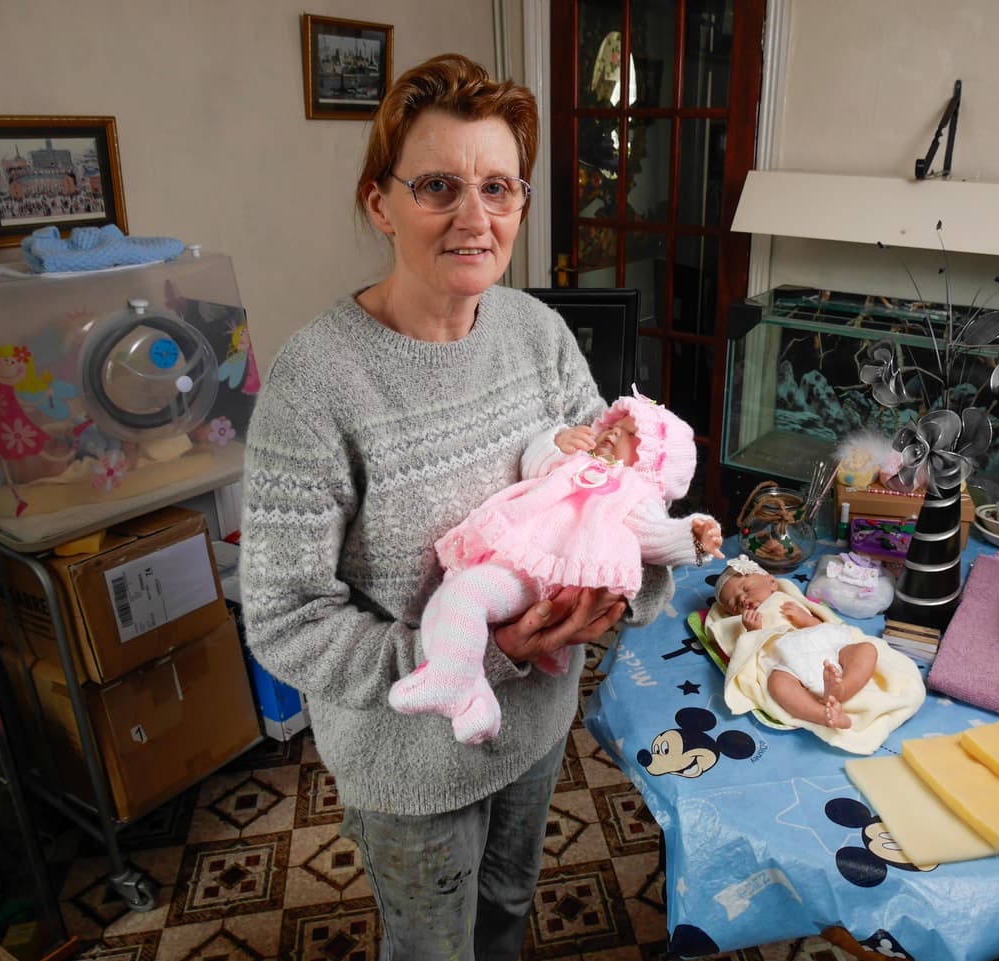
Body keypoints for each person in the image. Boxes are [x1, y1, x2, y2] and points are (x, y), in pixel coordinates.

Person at [240, 53, 686, 961]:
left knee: (508, 910)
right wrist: (471, 655)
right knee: (435, 947)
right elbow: (285, 618)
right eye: (438, 186)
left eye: (498, 188)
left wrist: (625, 575)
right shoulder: (317, 382)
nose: (475, 218)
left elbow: (603, 489)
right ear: (381, 203)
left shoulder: (537, 332)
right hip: (410, 758)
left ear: (520, 201)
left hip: (537, 721)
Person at [389, 390, 724, 743]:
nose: (614, 432)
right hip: (512, 557)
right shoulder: (578, 460)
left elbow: (655, 537)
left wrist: (693, 538)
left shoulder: (634, 492)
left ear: (654, 462)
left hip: (541, 574)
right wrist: (556, 444)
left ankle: (450, 683)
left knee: (466, 595)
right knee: (444, 603)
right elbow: (533, 468)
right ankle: (473, 700)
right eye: (615, 426)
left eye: (631, 434)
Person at [713, 556, 879, 729]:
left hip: (824, 648)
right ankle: (822, 714)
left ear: (772, 582)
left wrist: (807, 619)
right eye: (734, 604)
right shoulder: (743, 622)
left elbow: (825, 629)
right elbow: (750, 654)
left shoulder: (784, 599)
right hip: (787, 663)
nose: (742, 599)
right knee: (777, 685)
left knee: (866, 649)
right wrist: (754, 633)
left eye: (747, 589)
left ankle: (843, 688)